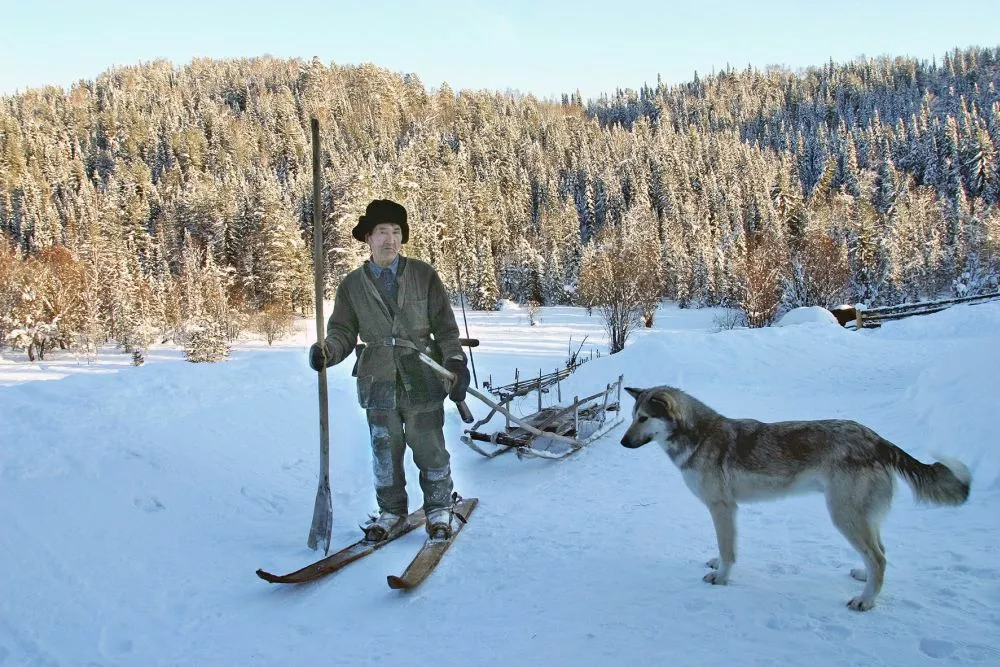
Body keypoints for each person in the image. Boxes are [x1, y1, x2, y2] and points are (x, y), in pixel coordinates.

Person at [309, 198, 471, 541]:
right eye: (383, 231)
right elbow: (341, 333)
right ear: (368, 237)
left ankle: (439, 508)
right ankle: (392, 511)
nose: (390, 239)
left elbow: (445, 328)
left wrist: (455, 361)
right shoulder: (351, 285)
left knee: (430, 447)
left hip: (423, 378)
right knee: (384, 451)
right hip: (377, 380)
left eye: (396, 231)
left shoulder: (424, 275)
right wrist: (327, 351)